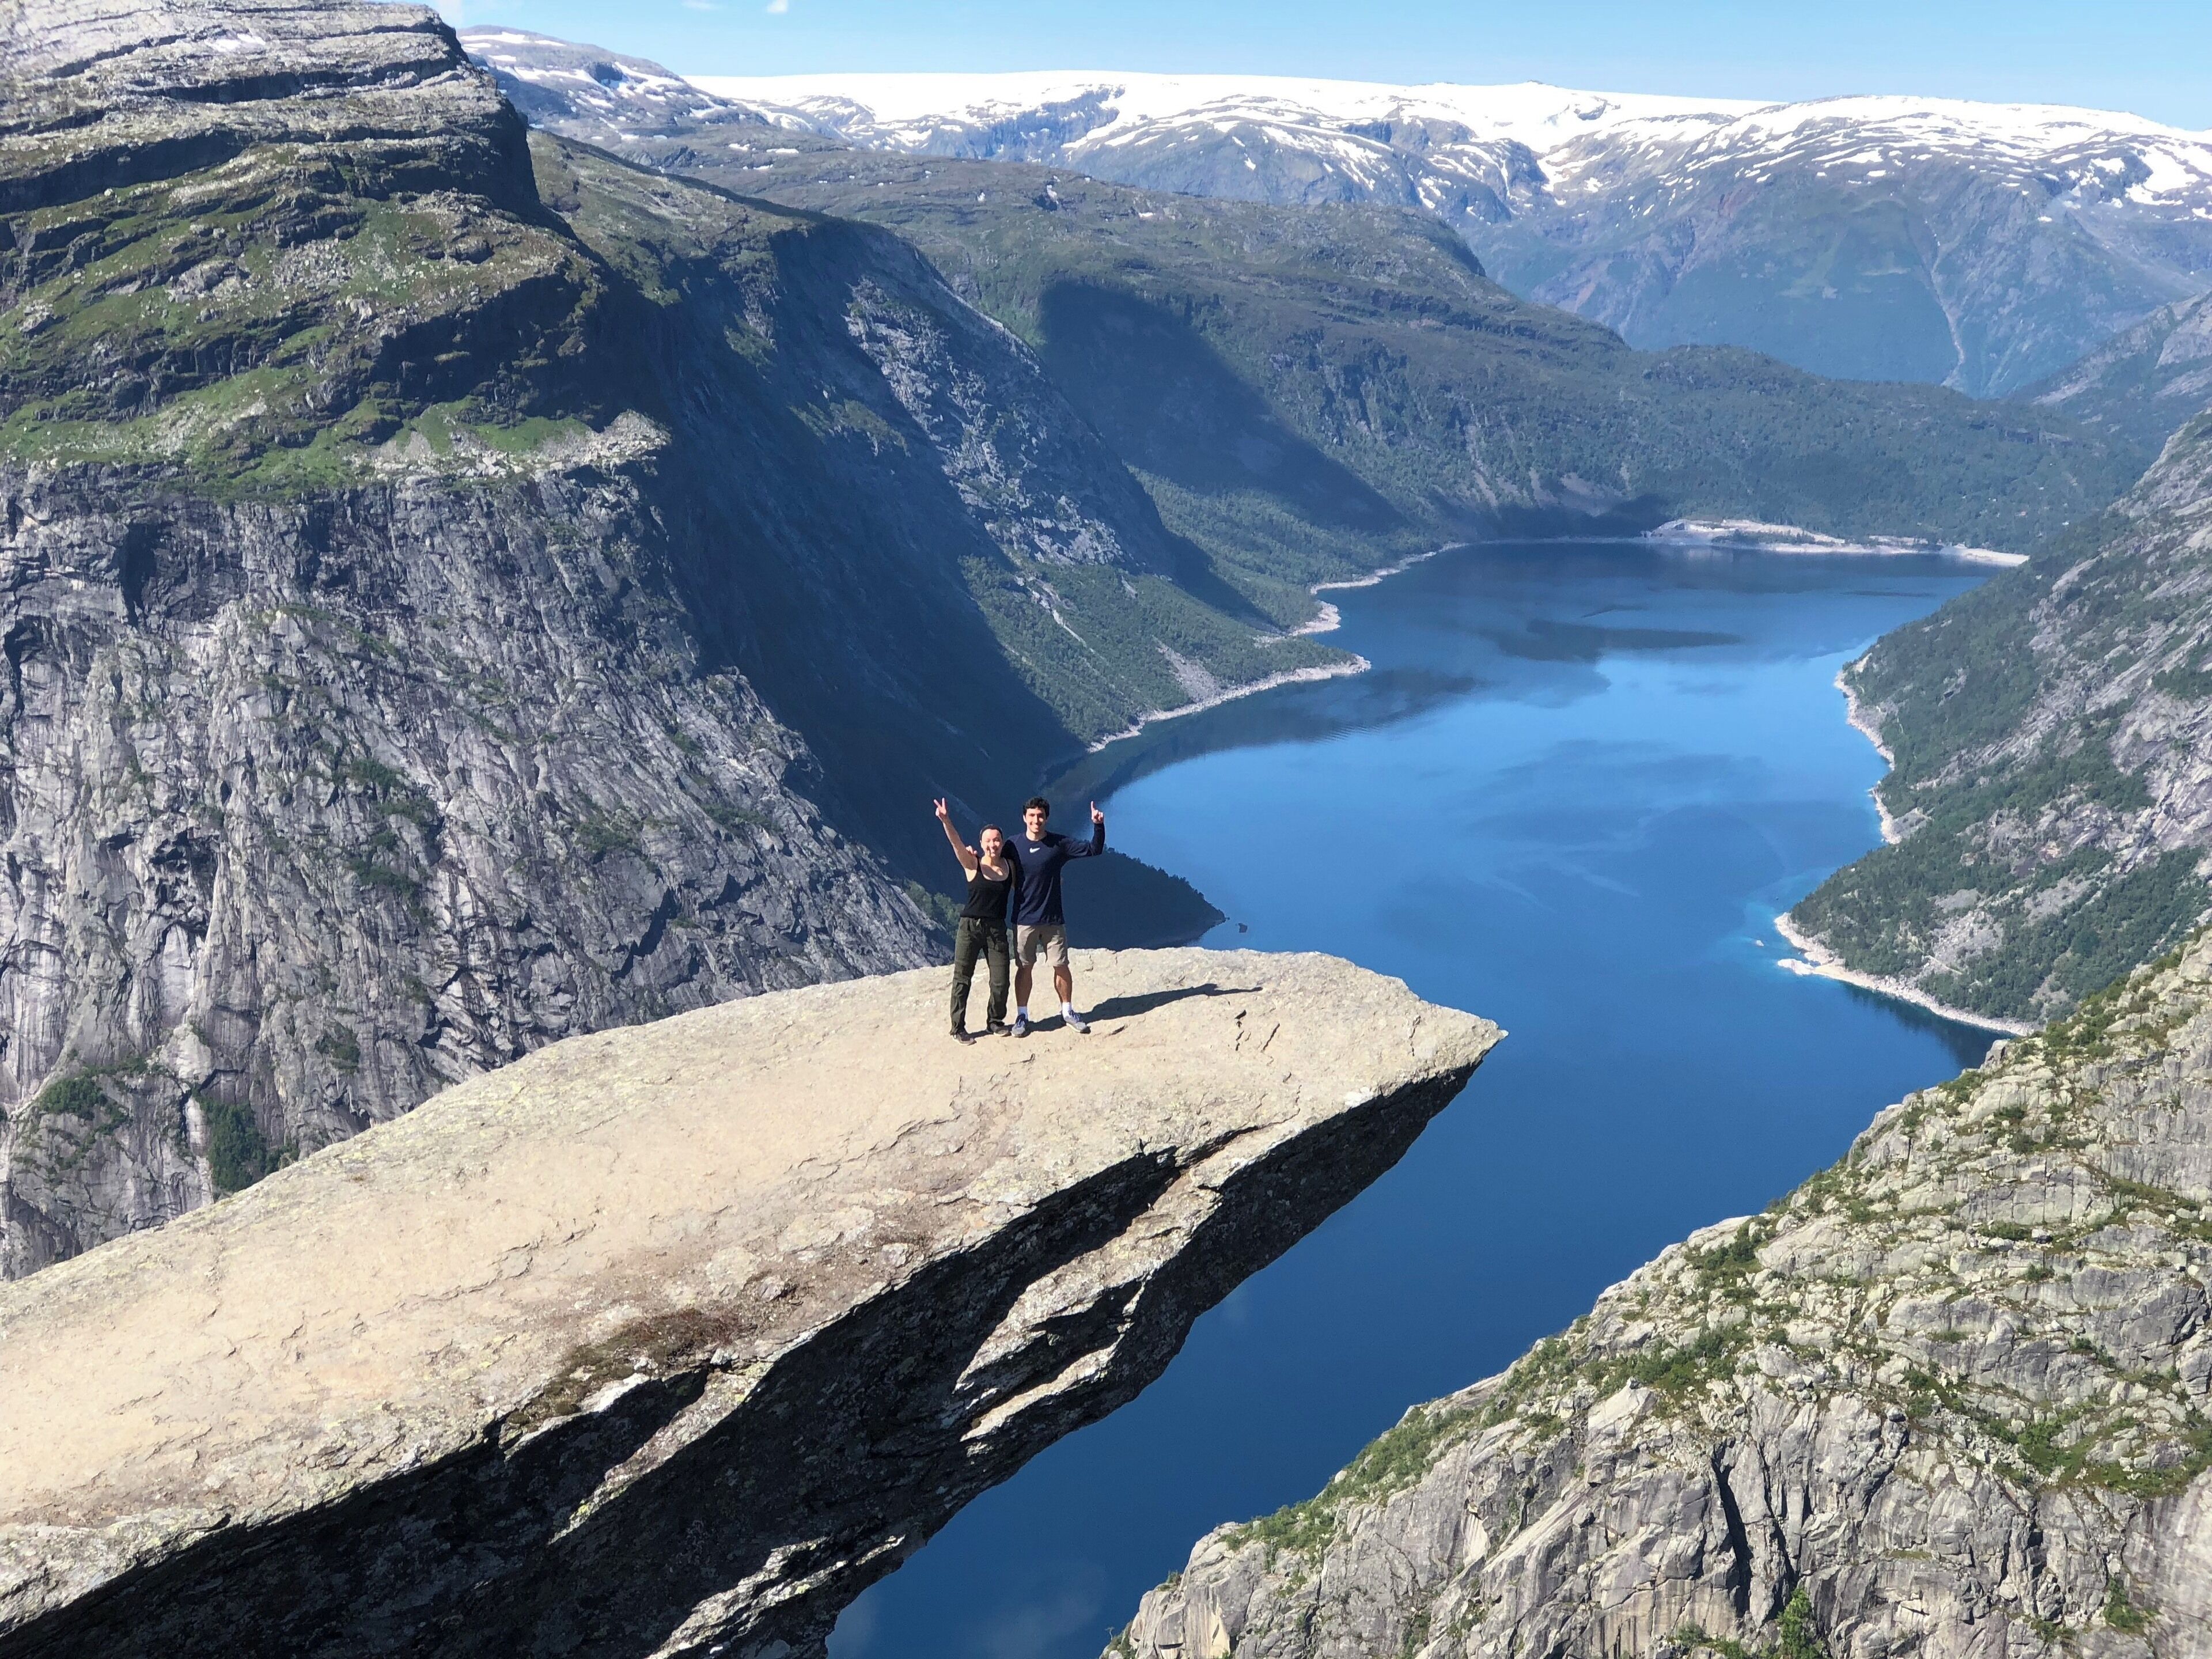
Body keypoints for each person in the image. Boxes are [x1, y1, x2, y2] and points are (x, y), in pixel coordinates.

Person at [1003, 795, 1105, 1036]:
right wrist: (973, 857)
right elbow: (992, 862)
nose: (1036, 820)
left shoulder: (1058, 844)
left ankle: (1067, 1011)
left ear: (1047, 818)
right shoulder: (1012, 845)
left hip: (1053, 919)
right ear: (1024, 818)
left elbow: (1094, 849)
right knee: (1024, 968)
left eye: (1040, 816)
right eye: (1032, 815)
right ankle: (1022, 1016)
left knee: (1061, 966)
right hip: (1024, 919)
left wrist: (1098, 825)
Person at [934, 799, 1014, 1041]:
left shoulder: (1010, 867)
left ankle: (995, 1021)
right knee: (962, 978)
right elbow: (957, 845)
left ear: (1002, 842)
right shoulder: (973, 864)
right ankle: (958, 1028)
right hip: (970, 927)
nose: (993, 845)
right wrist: (946, 820)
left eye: (996, 840)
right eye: (988, 841)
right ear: (981, 844)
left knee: (1001, 981)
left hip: (997, 929)